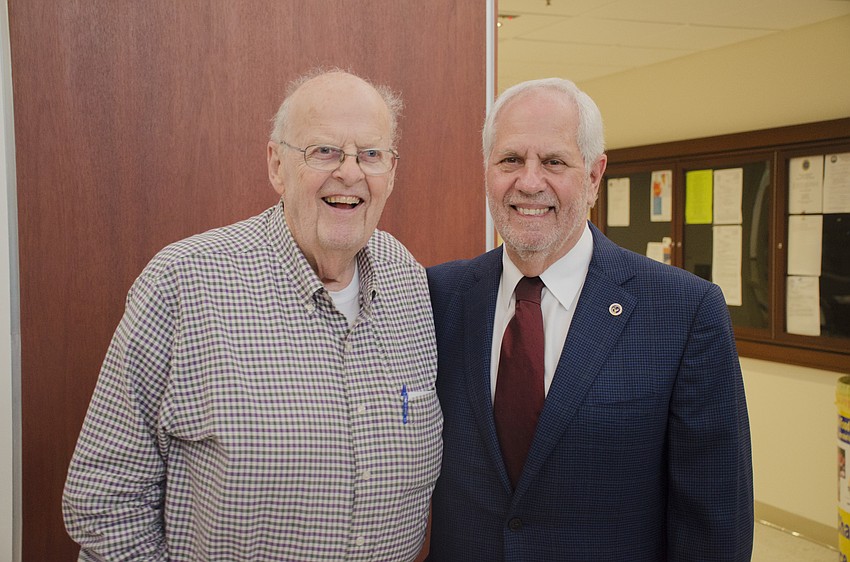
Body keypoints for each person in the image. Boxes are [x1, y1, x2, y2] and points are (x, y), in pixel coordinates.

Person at [63, 69, 442, 561]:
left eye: (370, 155)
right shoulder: (185, 283)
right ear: (276, 165)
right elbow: (104, 501)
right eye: (324, 151)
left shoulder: (409, 283)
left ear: (390, 173)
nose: (350, 173)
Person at [426, 78, 753, 561]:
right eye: (510, 160)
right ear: (487, 169)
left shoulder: (683, 312)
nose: (529, 181)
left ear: (595, 176)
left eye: (554, 162)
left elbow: (713, 523)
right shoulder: (439, 297)